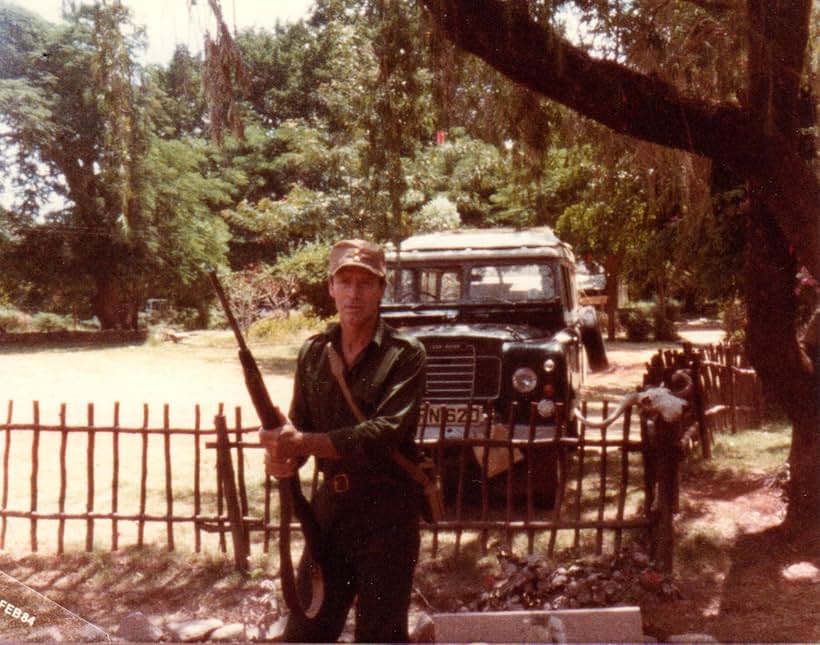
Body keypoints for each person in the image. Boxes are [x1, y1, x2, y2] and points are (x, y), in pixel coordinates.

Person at [264, 239, 427, 642]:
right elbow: (300, 424)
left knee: (380, 635)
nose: (354, 293)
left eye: (365, 283)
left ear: (381, 289)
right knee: (305, 632)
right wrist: (283, 456)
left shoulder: (405, 354)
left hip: (387, 516)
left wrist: (302, 443)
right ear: (331, 288)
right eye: (346, 282)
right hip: (330, 517)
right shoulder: (314, 353)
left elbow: (383, 432)